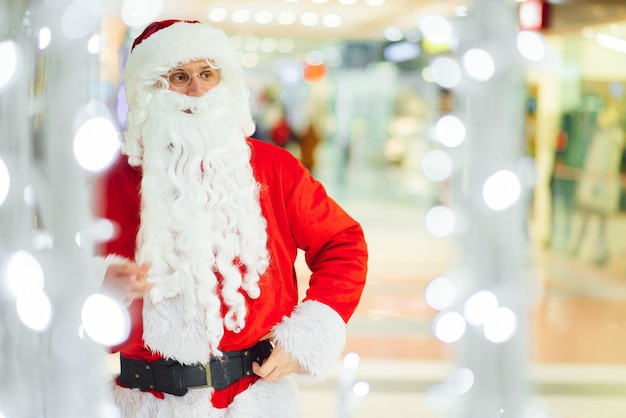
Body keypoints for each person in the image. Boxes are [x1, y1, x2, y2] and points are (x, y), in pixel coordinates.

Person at [94, 19, 368, 418]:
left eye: (208, 74)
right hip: (144, 404)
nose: (197, 89)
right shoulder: (109, 182)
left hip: (254, 401)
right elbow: (55, 273)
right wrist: (96, 284)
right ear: (151, 89)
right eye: (179, 76)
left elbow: (343, 243)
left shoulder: (275, 168)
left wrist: (308, 335)